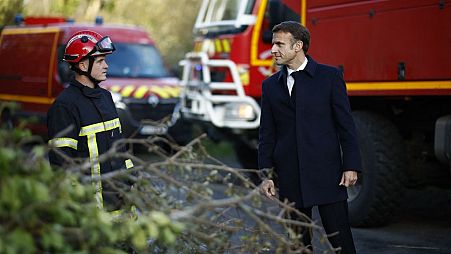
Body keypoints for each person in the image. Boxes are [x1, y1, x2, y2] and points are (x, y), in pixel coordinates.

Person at [258, 21, 362, 253]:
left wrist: (351, 165)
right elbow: (267, 134)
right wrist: (266, 175)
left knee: (341, 243)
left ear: (298, 46)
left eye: (279, 44)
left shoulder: (330, 77)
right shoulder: (270, 86)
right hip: (289, 176)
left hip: (328, 174)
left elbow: (346, 126)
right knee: (298, 245)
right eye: (273, 44)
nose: (273, 49)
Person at [47, 30, 133, 210]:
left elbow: (119, 147)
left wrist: (131, 180)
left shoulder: (106, 97)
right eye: (100, 61)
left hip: (121, 205)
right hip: (90, 215)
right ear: (83, 66)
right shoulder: (65, 106)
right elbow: (62, 166)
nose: (106, 66)